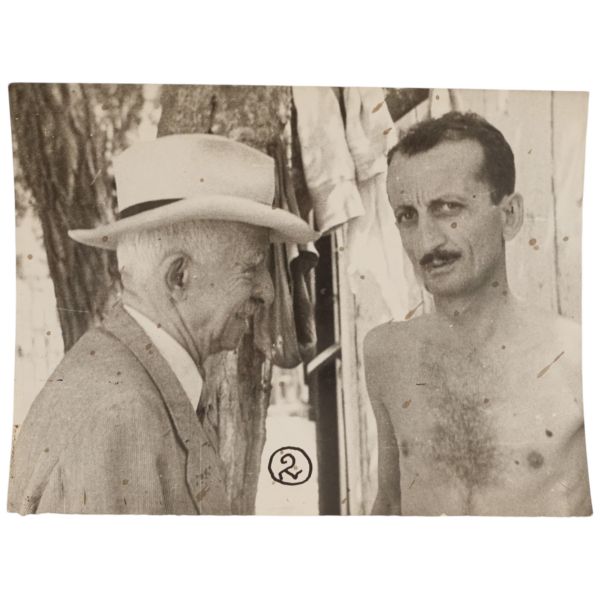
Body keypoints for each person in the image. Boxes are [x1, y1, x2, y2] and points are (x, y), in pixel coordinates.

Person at [8, 133, 318, 515]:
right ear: (178, 277)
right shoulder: (121, 418)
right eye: (251, 267)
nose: (267, 292)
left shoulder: (135, 379)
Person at [364, 111, 592, 516]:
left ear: (510, 216)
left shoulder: (578, 359)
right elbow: (391, 502)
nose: (427, 240)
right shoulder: (386, 354)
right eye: (407, 216)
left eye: (448, 208)